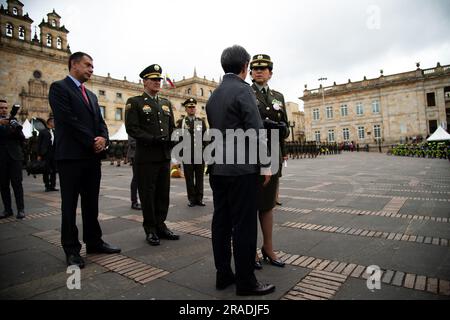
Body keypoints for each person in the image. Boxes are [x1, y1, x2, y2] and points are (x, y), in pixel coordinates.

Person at [206, 45, 275, 296]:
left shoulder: (213, 95)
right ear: (245, 67)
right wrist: (266, 164)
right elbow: (256, 131)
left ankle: (223, 274)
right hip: (242, 169)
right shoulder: (243, 91)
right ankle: (246, 282)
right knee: (244, 226)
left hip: (217, 169)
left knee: (221, 223)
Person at [48, 52, 121, 269]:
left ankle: (94, 241)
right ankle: (71, 249)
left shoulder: (92, 96)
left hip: (91, 158)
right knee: (69, 206)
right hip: (70, 157)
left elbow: (100, 122)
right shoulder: (59, 88)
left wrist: (104, 139)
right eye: (87, 65)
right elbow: (67, 120)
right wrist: (92, 140)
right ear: (74, 65)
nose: (91, 69)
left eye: (92, 65)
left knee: (92, 203)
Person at [125, 64, 179, 246]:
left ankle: (161, 225)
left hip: (164, 155)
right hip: (146, 156)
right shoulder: (135, 102)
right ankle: (150, 229)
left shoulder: (165, 103)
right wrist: (154, 139)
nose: (157, 82)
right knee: (148, 194)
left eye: (159, 79)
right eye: (154, 79)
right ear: (145, 81)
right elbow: (132, 129)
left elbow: (171, 126)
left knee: (163, 193)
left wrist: (174, 139)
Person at [250, 54, 289, 270]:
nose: (259, 71)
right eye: (255, 68)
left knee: (267, 206)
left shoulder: (278, 96)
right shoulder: (246, 92)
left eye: (263, 68)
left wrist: (284, 131)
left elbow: (285, 126)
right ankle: (252, 250)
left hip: (273, 156)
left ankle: (268, 247)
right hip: (252, 157)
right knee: (250, 206)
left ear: (270, 73)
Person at [176, 98, 207, 207]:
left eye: (193, 107)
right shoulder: (181, 122)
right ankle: (191, 199)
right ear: (186, 109)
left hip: (200, 154)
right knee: (189, 178)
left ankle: (199, 198)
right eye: (190, 107)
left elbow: (205, 138)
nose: (192, 109)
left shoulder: (200, 121)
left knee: (199, 178)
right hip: (187, 154)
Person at [0, 100, 25, 219]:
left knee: (17, 184)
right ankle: (7, 210)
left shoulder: (13, 121)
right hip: (1, 158)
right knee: (3, 185)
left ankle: (21, 209)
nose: (3, 110)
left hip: (15, 157)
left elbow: (22, 138)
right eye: (1, 108)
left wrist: (16, 129)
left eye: (5, 107)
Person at [37, 116, 58, 192]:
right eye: (54, 122)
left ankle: (53, 186)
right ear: (49, 122)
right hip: (46, 153)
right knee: (46, 170)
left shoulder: (55, 132)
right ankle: (47, 186)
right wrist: (39, 154)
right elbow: (39, 143)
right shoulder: (43, 132)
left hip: (54, 153)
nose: (55, 123)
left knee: (54, 170)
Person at [127, 135, 141, 210]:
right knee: (136, 179)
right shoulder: (133, 127)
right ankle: (134, 202)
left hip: (141, 155)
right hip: (135, 155)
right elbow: (132, 142)